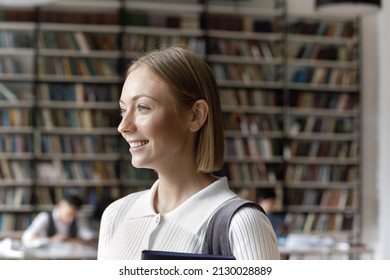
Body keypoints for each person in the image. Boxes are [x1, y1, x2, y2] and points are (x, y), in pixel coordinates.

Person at [97, 46, 280, 260]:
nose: (123, 126)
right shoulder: (116, 215)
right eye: (123, 110)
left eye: (143, 107)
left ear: (196, 115)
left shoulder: (242, 224)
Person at [21, 194, 96, 248]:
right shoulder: (44, 217)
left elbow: (89, 236)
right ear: (60, 206)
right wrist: (51, 240)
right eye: (68, 214)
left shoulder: (78, 218)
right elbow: (26, 237)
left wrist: (79, 241)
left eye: (74, 215)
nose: (71, 218)